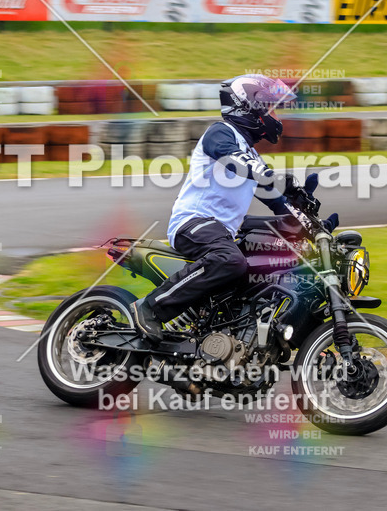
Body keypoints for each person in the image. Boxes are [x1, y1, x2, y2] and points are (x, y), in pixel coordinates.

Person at [130, 74, 335, 341]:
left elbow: (278, 203)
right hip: (193, 223)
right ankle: (150, 308)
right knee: (230, 261)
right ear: (249, 107)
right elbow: (235, 162)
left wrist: (310, 222)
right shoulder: (221, 133)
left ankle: (229, 329)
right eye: (269, 109)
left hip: (223, 231)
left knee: (277, 254)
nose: (273, 116)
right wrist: (275, 178)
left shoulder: (252, 155)